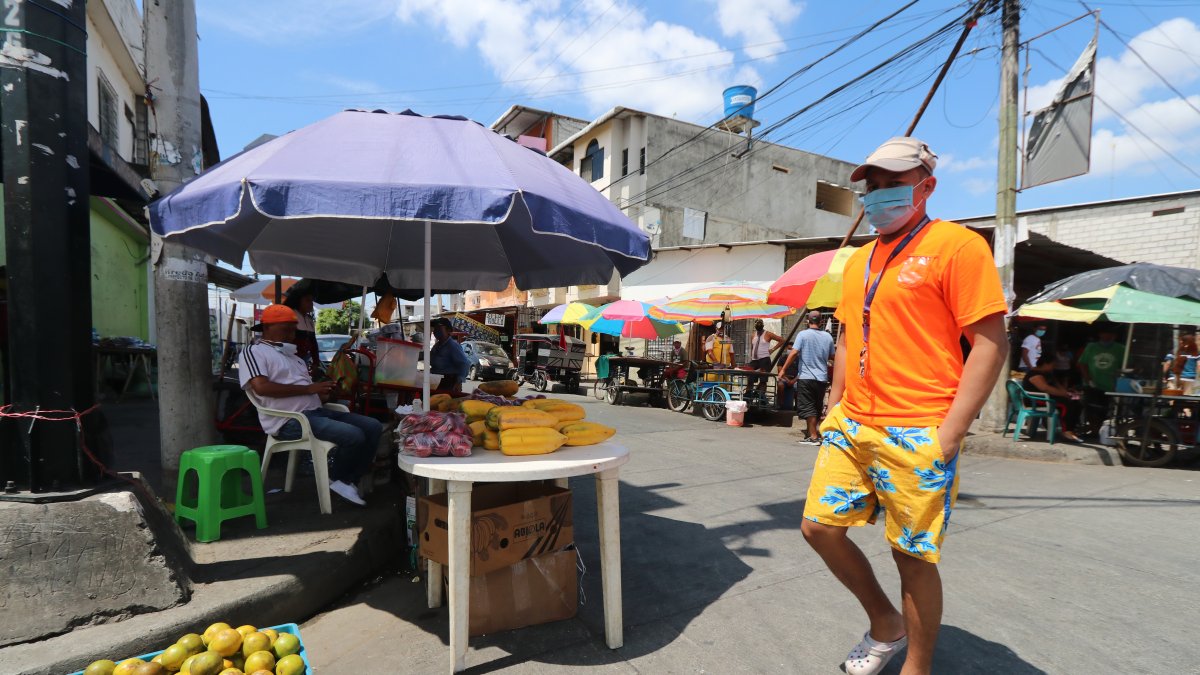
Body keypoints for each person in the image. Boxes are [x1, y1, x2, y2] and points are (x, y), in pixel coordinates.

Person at [800, 137, 1008, 675]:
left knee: (911, 557)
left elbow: (990, 342)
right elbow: (849, 337)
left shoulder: (958, 247)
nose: (880, 195)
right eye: (873, 187)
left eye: (894, 184)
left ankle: (917, 665)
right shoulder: (859, 261)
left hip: (919, 427)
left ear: (926, 187)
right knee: (819, 528)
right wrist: (833, 407)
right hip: (853, 423)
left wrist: (951, 433)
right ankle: (885, 623)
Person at [239, 304, 381, 507]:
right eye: (286, 328)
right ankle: (339, 479)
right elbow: (261, 388)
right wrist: (309, 390)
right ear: (267, 327)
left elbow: (309, 394)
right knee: (354, 435)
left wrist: (325, 393)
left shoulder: (295, 358)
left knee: (373, 426)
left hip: (316, 412)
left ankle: (345, 481)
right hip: (288, 420)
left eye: (293, 329)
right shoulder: (254, 351)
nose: (291, 333)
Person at [781, 311, 836, 445]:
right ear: (821, 322)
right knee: (817, 405)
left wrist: (783, 369)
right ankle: (814, 433)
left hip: (806, 377)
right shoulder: (828, 337)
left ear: (807, 321)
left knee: (808, 406)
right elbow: (832, 356)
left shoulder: (803, 335)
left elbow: (794, 352)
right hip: (822, 378)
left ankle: (813, 436)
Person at [1022, 354, 1083, 442]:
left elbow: (1057, 386)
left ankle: (1072, 429)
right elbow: (1045, 388)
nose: (1054, 366)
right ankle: (1067, 431)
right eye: (1053, 364)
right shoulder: (1034, 374)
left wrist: (1066, 393)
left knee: (1076, 403)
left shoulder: (1048, 374)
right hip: (1036, 401)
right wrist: (1063, 395)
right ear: (1046, 364)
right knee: (1065, 404)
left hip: (1047, 399)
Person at [1078, 326, 1125, 394]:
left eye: (1111, 334)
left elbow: (1126, 366)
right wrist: (1088, 379)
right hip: (1092, 385)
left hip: (1111, 386)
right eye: (1105, 333)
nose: (1107, 336)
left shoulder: (1121, 349)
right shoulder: (1091, 347)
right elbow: (1082, 363)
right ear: (1100, 334)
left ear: (1115, 336)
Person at [283, 288, 321, 372]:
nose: (311, 304)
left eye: (311, 301)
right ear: (298, 301)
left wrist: (316, 362)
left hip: (304, 360)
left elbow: (313, 342)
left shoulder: (309, 319)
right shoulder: (290, 315)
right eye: (307, 300)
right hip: (289, 361)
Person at [429, 318, 471, 393]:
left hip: (449, 383)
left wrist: (458, 382)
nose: (435, 331)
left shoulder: (452, 346)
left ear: (448, 330)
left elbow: (465, 363)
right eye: (434, 328)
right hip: (437, 381)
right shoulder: (437, 346)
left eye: (439, 328)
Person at [746, 319, 785, 395]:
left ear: (763, 325)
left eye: (760, 323)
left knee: (763, 380)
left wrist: (772, 349)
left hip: (764, 359)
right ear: (755, 326)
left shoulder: (768, 334)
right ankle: (748, 397)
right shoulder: (753, 335)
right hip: (754, 360)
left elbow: (782, 340)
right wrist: (751, 356)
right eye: (757, 324)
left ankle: (761, 398)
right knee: (750, 379)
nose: (758, 325)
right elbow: (752, 347)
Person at [776, 346, 800, 412]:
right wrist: (788, 380)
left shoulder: (798, 359)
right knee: (780, 385)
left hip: (795, 379)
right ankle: (780, 404)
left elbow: (800, 372)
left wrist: (793, 381)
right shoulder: (782, 358)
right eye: (788, 349)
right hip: (784, 379)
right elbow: (780, 371)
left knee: (800, 387)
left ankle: (797, 406)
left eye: (791, 349)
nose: (789, 350)